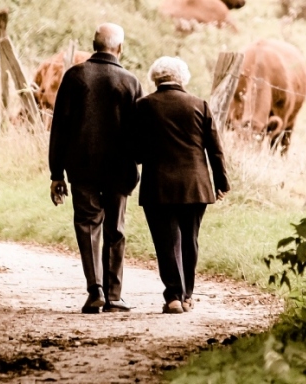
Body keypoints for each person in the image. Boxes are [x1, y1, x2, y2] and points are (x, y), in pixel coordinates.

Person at [48, 23, 143, 314]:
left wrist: (56, 174)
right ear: (120, 48)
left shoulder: (75, 76)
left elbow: (59, 128)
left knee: (88, 226)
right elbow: (139, 131)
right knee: (115, 228)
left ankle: (95, 291)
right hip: (119, 169)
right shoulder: (130, 81)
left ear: (93, 44)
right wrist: (137, 162)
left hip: (82, 167)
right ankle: (115, 296)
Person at [134, 57, 229, 314]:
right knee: (190, 239)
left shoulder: (143, 106)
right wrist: (221, 182)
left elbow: (136, 151)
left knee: (166, 241)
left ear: (155, 77)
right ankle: (187, 296)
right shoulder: (200, 105)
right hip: (196, 185)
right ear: (182, 78)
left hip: (158, 186)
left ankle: (173, 296)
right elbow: (215, 150)